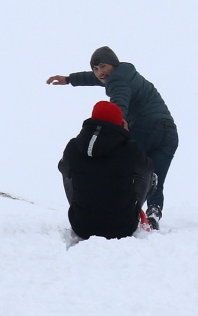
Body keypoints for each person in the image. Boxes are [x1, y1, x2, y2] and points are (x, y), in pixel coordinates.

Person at [47, 47, 177, 229]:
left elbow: (119, 100)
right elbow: (98, 80)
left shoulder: (117, 82)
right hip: (169, 133)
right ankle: (153, 212)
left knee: (130, 171)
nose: (100, 72)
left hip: (145, 128)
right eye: (96, 69)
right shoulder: (126, 73)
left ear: (113, 64)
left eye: (102, 66)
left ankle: (130, 212)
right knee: (154, 177)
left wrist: (116, 122)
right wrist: (69, 79)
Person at [59, 101, 155, 240]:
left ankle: (79, 209)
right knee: (149, 176)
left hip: (81, 226)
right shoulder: (129, 149)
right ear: (119, 122)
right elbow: (149, 169)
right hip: (123, 228)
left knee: (67, 170)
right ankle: (136, 211)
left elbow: (63, 169)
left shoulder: (73, 146)